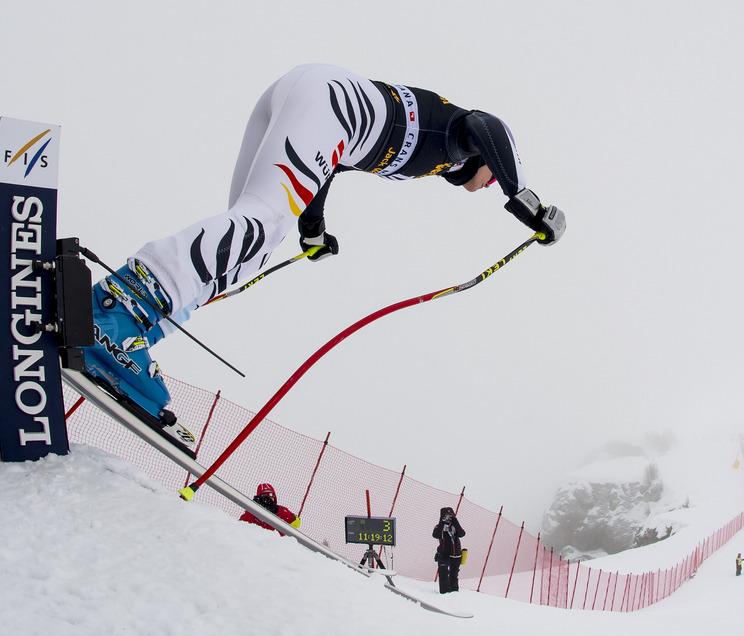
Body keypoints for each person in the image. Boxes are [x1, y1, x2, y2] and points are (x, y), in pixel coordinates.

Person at [82, 64, 566, 422]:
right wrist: (525, 199)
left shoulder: (438, 159)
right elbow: (489, 125)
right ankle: (113, 313)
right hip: (327, 103)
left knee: (246, 247)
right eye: (492, 178)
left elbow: (329, 161)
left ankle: (132, 331)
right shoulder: (466, 137)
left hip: (315, 102)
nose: (486, 188)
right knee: (260, 224)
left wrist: (312, 226)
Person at [432, 506, 466, 594]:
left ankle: (454, 593)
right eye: (446, 515)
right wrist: (442, 523)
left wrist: (455, 521)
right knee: (443, 573)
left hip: (456, 554)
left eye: (451, 515)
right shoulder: (439, 526)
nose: (449, 518)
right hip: (444, 554)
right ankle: (445, 593)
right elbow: (435, 535)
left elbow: (462, 534)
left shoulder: (455, 525)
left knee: (454, 575)